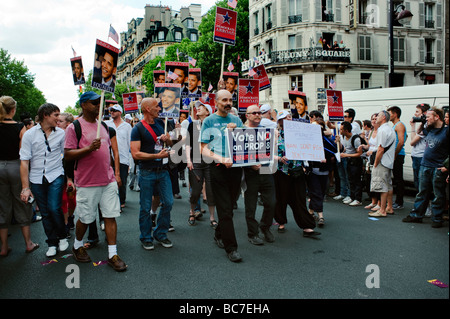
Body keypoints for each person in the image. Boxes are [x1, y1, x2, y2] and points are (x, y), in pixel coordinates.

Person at [64, 91, 127, 271]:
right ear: (84, 105)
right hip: (87, 182)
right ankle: (77, 245)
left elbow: (109, 153)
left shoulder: (105, 127)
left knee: (110, 215)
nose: (99, 106)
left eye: (101, 103)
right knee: (85, 218)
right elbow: (68, 154)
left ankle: (112, 254)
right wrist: (88, 148)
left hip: (107, 180)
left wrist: (115, 173)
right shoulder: (74, 127)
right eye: (94, 103)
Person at [200, 89, 244, 262]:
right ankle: (231, 248)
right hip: (218, 168)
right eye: (224, 100)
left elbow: (244, 141)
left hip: (235, 168)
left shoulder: (236, 119)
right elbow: (203, 148)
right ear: (216, 102)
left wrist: (235, 130)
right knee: (225, 209)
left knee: (230, 205)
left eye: (230, 100)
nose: (228, 103)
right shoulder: (209, 121)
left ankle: (219, 233)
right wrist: (221, 158)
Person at [20, 103, 67, 257]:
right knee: (45, 213)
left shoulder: (61, 134)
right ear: (45, 115)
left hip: (56, 174)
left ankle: (62, 236)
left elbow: (66, 156)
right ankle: (52, 242)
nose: (58, 119)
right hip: (37, 178)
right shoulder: (29, 135)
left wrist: (70, 178)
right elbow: (24, 162)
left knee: (54, 208)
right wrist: (25, 187)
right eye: (56, 115)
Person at [130, 97, 174, 251]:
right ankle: (146, 237)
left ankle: (160, 234)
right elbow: (135, 154)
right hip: (147, 172)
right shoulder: (137, 129)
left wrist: (167, 140)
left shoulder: (161, 124)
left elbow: (168, 145)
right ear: (148, 109)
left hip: (162, 171)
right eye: (157, 106)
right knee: (145, 207)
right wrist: (156, 156)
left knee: (168, 202)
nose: (160, 109)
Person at [0, 96, 40, 256]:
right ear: (13, 109)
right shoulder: (20, 128)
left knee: (2, 206)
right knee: (22, 204)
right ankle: (28, 243)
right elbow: (23, 153)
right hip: (16, 166)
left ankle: (3, 247)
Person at [273, 110, 320, 238]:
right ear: (280, 121)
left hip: (298, 171)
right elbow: (269, 153)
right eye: (284, 117)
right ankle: (281, 222)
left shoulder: (299, 134)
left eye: (289, 117)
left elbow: (309, 147)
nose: (288, 119)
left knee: (299, 199)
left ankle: (306, 226)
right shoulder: (275, 135)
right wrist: (279, 158)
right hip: (282, 171)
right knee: (281, 199)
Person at [403, 107, 449, 228]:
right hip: (425, 165)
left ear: (437, 117)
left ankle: (437, 218)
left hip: (438, 167)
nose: (426, 119)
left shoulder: (446, 131)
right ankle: (417, 215)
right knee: (422, 192)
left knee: (438, 194)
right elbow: (419, 133)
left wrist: (446, 166)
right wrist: (423, 122)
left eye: (428, 117)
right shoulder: (429, 129)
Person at [242, 105, 276, 244]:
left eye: (259, 112)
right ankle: (252, 233)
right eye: (254, 113)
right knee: (251, 206)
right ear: (247, 115)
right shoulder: (241, 132)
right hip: (250, 172)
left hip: (266, 169)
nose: (257, 114)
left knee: (271, 202)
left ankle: (265, 226)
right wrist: (250, 163)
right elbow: (237, 152)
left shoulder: (266, 130)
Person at [186, 101, 216, 227]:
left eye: (201, 107)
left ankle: (212, 218)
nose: (198, 108)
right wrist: (188, 160)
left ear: (208, 112)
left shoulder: (213, 126)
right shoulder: (192, 125)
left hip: (210, 162)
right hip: (196, 161)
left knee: (210, 191)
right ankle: (192, 212)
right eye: (197, 107)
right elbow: (187, 144)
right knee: (195, 191)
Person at [307, 118, 337, 227]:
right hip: (313, 171)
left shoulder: (327, 140)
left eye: (318, 127)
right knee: (317, 193)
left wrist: (338, 142)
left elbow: (336, 151)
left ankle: (310, 212)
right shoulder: (308, 140)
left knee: (321, 192)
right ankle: (321, 216)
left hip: (324, 170)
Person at [368, 110, 396, 217]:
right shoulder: (390, 129)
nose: (376, 117)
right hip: (388, 161)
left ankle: (382, 210)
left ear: (383, 117)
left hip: (382, 161)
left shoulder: (382, 130)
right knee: (388, 184)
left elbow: (380, 148)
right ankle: (389, 207)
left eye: (378, 115)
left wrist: (375, 162)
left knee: (381, 185)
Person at [106, 104, 132, 209]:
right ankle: (111, 201)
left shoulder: (127, 126)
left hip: (123, 157)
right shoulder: (106, 124)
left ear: (120, 112)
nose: (112, 112)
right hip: (108, 158)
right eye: (111, 110)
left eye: (115, 110)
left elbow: (130, 143)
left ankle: (121, 200)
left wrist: (131, 161)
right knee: (110, 181)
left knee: (121, 180)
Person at [57, 112, 77, 235]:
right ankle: (65, 224)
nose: (57, 123)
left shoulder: (73, 136)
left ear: (68, 124)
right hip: (58, 172)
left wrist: (70, 177)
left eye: (60, 121)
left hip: (71, 171)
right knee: (63, 199)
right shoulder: (53, 135)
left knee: (72, 199)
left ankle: (70, 217)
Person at [336, 121, 364, 206]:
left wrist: (346, 155)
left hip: (356, 162)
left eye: (341, 129)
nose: (340, 131)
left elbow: (359, 153)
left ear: (346, 130)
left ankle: (358, 199)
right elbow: (345, 148)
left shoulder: (356, 139)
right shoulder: (344, 137)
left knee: (356, 180)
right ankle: (352, 197)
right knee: (350, 180)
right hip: (348, 161)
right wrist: (339, 142)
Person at [359, 113, 381, 211]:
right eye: (372, 118)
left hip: (377, 158)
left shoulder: (381, 131)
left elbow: (381, 146)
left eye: (376, 118)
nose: (374, 120)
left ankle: (379, 203)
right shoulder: (372, 131)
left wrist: (373, 151)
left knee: (378, 181)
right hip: (369, 159)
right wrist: (364, 146)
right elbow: (370, 145)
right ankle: (373, 201)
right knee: (370, 181)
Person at [387, 106, 407, 210]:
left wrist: (395, 154)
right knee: (396, 179)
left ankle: (399, 202)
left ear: (395, 114)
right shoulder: (395, 126)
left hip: (398, 155)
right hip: (395, 154)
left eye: (389, 113)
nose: (388, 116)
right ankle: (397, 201)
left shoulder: (399, 125)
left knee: (399, 179)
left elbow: (401, 141)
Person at [409, 103, 430, 191]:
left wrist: (412, 126)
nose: (415, 114)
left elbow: (412, 142)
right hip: (417, 155)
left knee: (419, 182)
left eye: (417, 112)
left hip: (420, 156)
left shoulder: (426, 126)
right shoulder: (422, 125)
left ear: (424, 113)